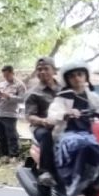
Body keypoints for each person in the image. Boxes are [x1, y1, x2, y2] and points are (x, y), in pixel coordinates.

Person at [47, 61, 99, 196]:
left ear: (86, 76)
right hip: (68, 134)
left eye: (80, 74)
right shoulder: (62, 97)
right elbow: (53, 114)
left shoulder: (93, 97)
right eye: (72, 76)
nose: (77, 78)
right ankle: (73, 184)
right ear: (68, 80)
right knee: (82, 144)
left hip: (91, 133)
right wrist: (66, 113)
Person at [25, 57, 61, 186]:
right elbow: (30, 116)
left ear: (54, 71)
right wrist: (44, 121)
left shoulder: (65, 89)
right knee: (46, 135)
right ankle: (45, 171)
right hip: (42, 127)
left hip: (64, 125)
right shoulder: (33, 93)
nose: (42, 72)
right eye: (39, 69)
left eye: (46, 68)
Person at [0, 65, 26, 159]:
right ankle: (4, 155)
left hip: (10, 114)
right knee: (1, 135)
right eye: (4, 75)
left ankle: (14, 155)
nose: (6, 77)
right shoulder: (0, 84)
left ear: (12, 73)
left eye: (7, 75)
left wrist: (9, 97)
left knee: (11, 136)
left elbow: (23, 99)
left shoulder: (20, 85)